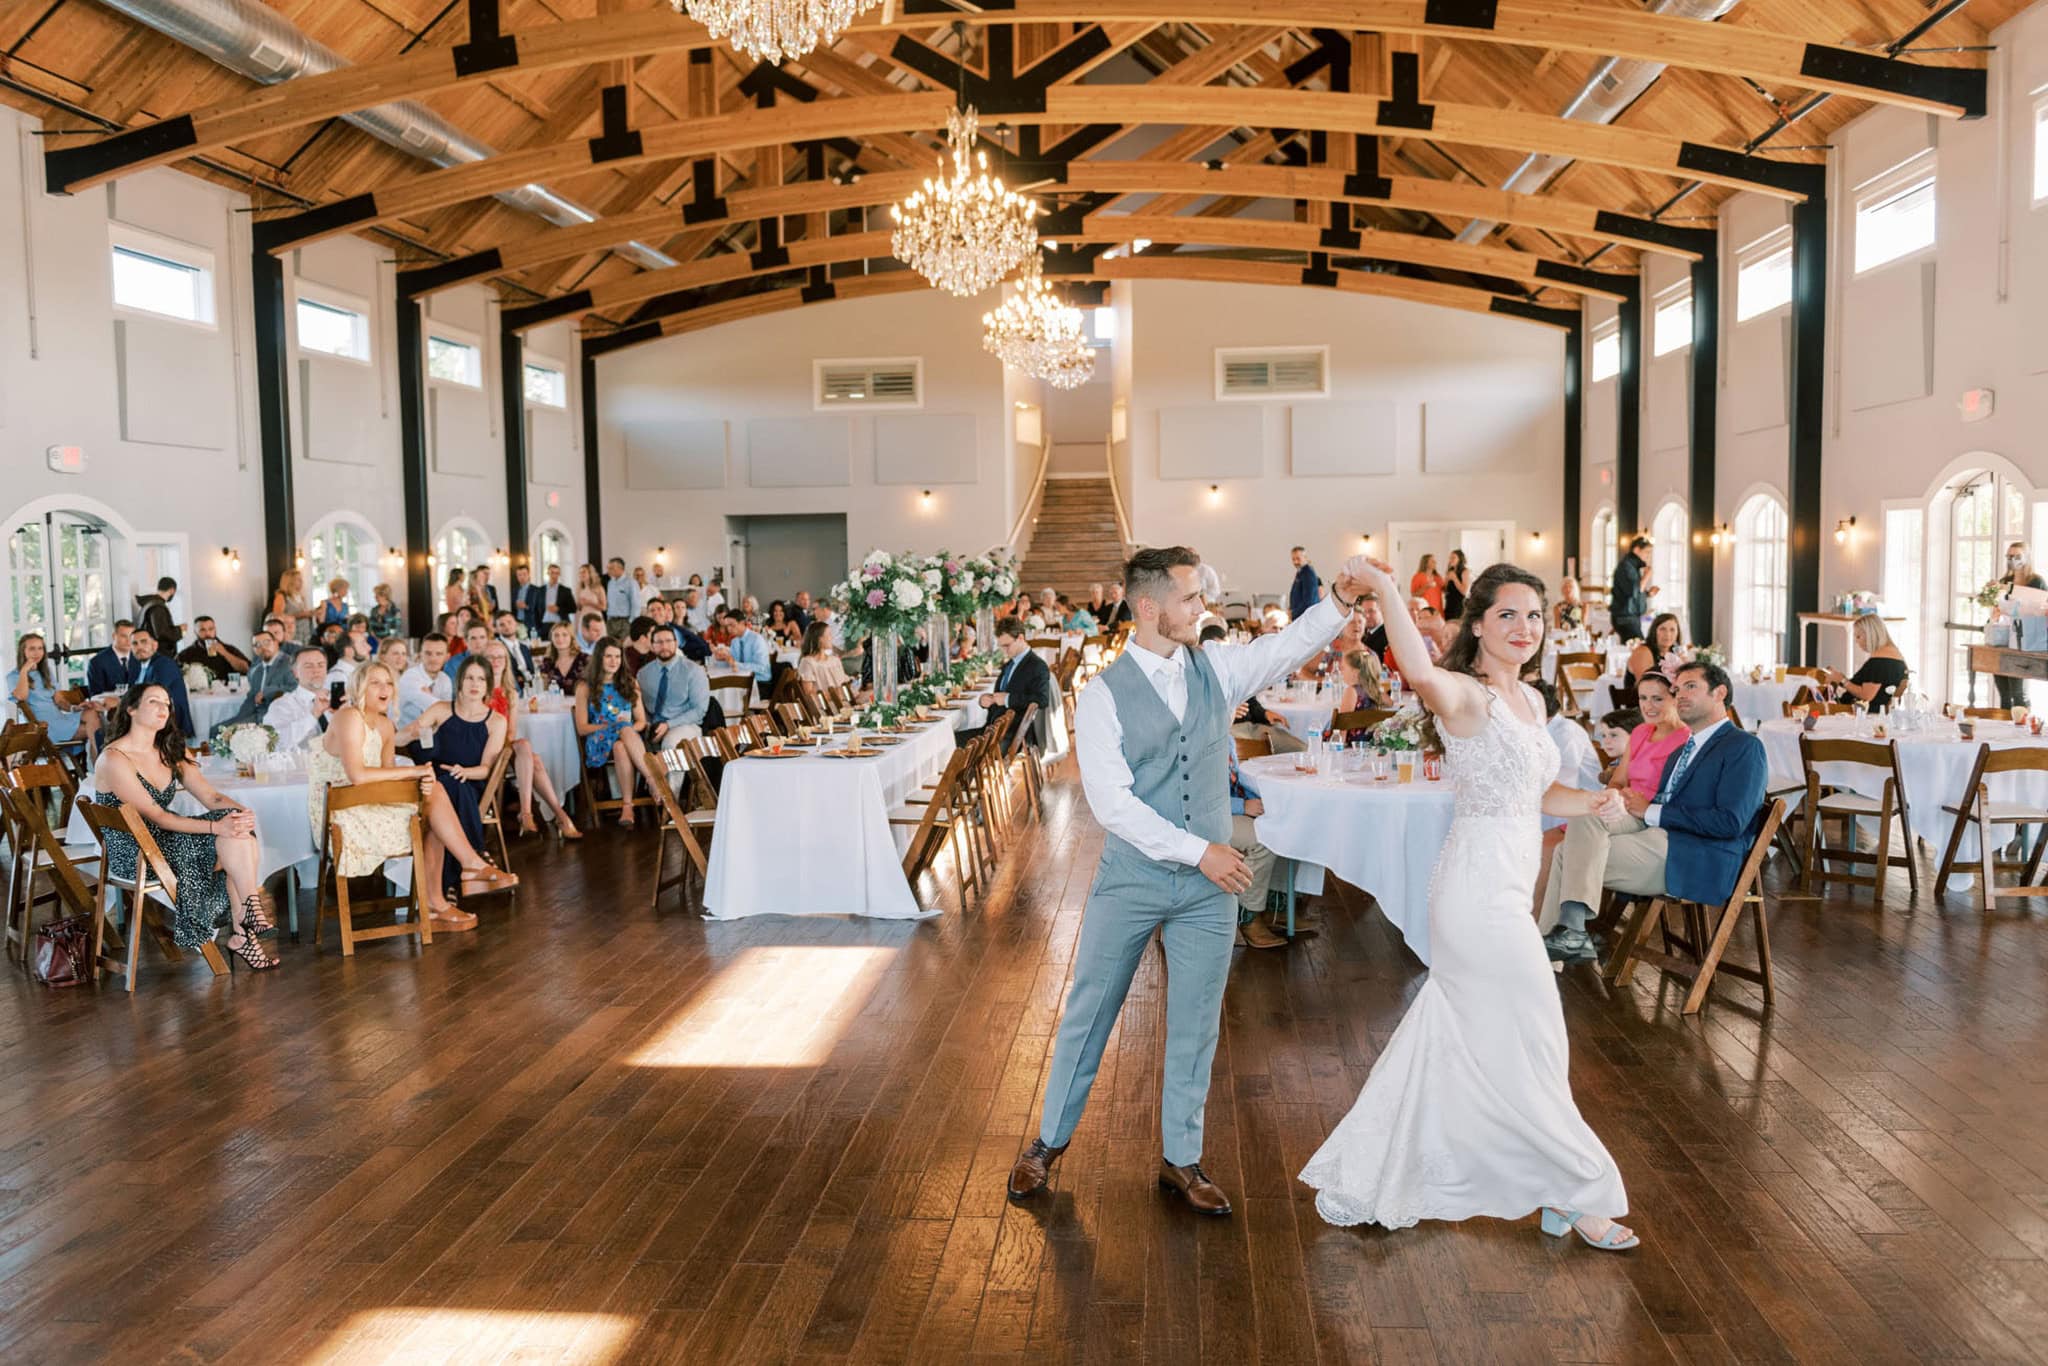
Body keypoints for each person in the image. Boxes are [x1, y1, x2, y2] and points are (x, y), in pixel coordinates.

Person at [1006, 546, 1369, 1216]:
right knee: (1090, 1014)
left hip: (1208, 888)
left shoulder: (1217, 669)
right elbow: (1111, 805)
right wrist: (1201, 849)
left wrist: (1340, 604)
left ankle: (1181, 1160)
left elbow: (1287, 647)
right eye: (1190, 598)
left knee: (1196, 1024)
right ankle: (1046, 1145)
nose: (1202, 609)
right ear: (1149, 608)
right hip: (1134, 879)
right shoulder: (1103, 697)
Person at [1299, 559, 1636, 1249]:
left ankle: (1536, 1186)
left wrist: (1595, 800)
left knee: (1503, 1041)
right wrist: (1390, 591)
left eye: (1534, 615)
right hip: (1474, 892)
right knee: (1539, 1034)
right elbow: (1421, 674)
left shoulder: (1534, 703)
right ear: (1477, 624)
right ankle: (1579, 1189)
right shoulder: (1467, 696)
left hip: (1512, 887)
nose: (1524, 628)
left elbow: (1539, 797)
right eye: (1507, 614)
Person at [1538, 660, 1768, 972]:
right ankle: (1566, 939)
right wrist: (1637, 801)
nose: (1681, 694)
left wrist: (1652, 810)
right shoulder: (1683, 749)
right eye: (1678, 688)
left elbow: (1729, 823)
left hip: (1694, 854)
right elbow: (1664, 801)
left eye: (1691, 687)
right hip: (1657, 834)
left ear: (1720, 693)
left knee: (1568, 854)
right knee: (1586, 814)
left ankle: (1548, 960)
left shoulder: (1744, 747)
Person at [310, 661, 515, 933]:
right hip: (340, 810)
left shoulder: (384, 725)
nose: (385, 689)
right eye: (376, 682)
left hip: (368, 801)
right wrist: (414, 771)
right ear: (359, 686)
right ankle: (464, 873)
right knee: (433, 791)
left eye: (389, 683)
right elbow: (357, 775)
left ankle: (441, 899)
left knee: (432, 798)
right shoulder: (348, 716)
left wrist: (419, 778)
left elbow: (386, 773)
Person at [94, 684, 276, 970]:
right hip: (137, 852)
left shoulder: (168, 750)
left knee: (237, 832)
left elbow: (210, 797)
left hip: (165, 841)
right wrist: (218, 828)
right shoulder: (114, 758)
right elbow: (157, 816)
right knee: (231, 838)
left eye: (167, 703)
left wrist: (242, 815)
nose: (163, 709)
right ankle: (246, 931)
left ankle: (246, 924)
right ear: (130, 709)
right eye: (153, 702)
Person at [412, 656, 508, 901]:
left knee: (457, 786)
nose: (474, 684)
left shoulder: (496, 721)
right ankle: (476, 857)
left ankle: (451, 883)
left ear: (488, 685)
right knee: (448, 786)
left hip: (472, 782)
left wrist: (466, 772)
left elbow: (486, 768)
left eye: (481, 679)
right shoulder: (441, 709)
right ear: (460, 682)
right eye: (469, 678)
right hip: (436, 780)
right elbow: (407, 736)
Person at [480, 640, 581, 840]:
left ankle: (527, 813)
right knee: (531, 757)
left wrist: (507, 745)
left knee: (525, 748)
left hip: (506, 746)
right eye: (490, 657)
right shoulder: (479, 688)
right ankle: (555, 815)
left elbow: (511, 731)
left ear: (506, 661)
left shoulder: (510, 693)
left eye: (500, 657)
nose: (496, 661)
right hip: (483, 747)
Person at [575, 638, 649, 829]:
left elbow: (641, 721)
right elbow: (582, 728)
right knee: (622, 728)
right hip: (598, 740)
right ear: (599, 658)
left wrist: (626, 729)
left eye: (617, 656)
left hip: (627, 740)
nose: (613, 661)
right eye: (608, 656)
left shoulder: (629, 683)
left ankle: (627, 806)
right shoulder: (585, 687)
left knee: (621, 745)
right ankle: (651, 777)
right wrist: (613, 727)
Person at [961, 617, 1052, 752]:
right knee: (949, 741)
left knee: (953, 747)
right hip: (994, 731)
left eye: (1007, 645)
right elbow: (1003, 696)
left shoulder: (1037, 666)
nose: (1004, 651)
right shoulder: (1010, 664)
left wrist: (1008, 699)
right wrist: (989, 700)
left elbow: (1042, 700)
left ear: (1020, 638)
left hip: (1013, 736)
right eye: (1001, 646)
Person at [637, 624, 711, 785]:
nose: (664, 646)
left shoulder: (693, 670)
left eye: (668, 641)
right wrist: (647, 724)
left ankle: (671, 801)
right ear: (652, 645)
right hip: (652, 726)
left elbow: (699, 710)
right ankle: (635, 799)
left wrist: (668, 724)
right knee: (624, 745)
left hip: (684, 724)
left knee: (671, 743)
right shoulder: (643, 674)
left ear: (676, 643)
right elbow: (640, 706)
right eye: (659, 642)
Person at [10, 633, 100, 747]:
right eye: (32, 648)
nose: (37, 652)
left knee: (92, 713)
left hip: (59, 718)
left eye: (40, 648)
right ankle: (98, 761)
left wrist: (74, 708)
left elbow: (59, 700)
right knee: (95, 730)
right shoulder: (13, 676)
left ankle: (96, 759)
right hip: (43, 726)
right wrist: (24, 670)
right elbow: (21, 697)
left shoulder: (45, 672)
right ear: (23, 651)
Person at [1990, 541, 2044, 709]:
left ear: (2026, 557)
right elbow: (1997, 608)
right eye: (2009, 556)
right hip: (2003, 637)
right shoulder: (2005, 581)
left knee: (2018, 693)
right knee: (2004, 693)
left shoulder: (2036, 581)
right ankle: (2004, 730)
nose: (2013, 560)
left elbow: (2041, 608)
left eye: (2017, 556)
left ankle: (2023, 728)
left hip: (2024, 640)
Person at [1824, 615, 1908, 713]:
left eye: (1858, 636)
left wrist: (1842, 680)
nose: (1856, 641)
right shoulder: (1894, 655)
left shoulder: (1879, 662)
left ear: (1870, 634)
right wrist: (1840, 678)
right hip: (1873, 712)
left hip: (1860, 713)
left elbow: (1867, 695)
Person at [220, 625, 295, 731]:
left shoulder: (289, 663)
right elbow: (251, 697)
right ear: (254, 650)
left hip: (277, 717)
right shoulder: (256, 669)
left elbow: (295, 688)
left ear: (276, 643)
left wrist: (267, 692)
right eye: (257, 645)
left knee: (228, 734)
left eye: (266, 642)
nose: (263, 647)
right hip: (255, 714)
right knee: (217, 731)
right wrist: (239, 719)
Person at [128, 628, 193, 737]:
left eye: (144, 642)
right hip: (151, 719)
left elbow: (153, 696)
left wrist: (119, 701)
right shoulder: (140, 666)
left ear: (155, 645)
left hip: (171, 727)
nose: (139, 647)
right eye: (135, 643)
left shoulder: (164, 664)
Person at [267, 648, 333, 753]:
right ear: (295, 673)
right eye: (308, 666)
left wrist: (348, 715)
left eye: (321, 665)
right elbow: (279, 742)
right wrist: (313, 715)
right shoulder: (281, 705)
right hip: (303, 766)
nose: (316, 670)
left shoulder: (337, 701)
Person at [398, 632, 453, 729]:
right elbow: (440, 709)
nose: (433, 658)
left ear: (447, 657)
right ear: (420, 655)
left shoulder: (445, 679)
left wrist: (432, 698)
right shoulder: (410, 677)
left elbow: (448, 712)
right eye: (428, 653)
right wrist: (440, 705)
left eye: (439, 654)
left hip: (432, 736)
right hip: (405, 739)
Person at [176, 616, 251, 683]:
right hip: (199, 695)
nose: (207, 633)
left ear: (215, 630)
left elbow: (247, 669)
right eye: (202, 630)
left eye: (211, 629)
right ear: (195, 632)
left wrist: (225, 653)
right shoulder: (186, 654)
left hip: (227, 693)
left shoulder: (229, 649)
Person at [1610, 536, 1653, 641]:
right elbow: (1632, 591)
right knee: (1639, 648)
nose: (1648, 556)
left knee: (1633, 650)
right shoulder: (1626, 567)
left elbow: (1633, 592)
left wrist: (1647, 594)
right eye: (1646, 552)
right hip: (1626, 618)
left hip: (1630, 617)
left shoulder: (1633, 567)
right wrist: (1646, 577)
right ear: (1637, 550)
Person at [1627, 613, 1685, 688]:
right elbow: (1645, 686)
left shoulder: (1674, 655)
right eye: (1662, 629)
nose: (1667, 634)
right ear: (1654, 631)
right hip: (1641, 698)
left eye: (1672, 630)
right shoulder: (1642, 652)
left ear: (1677, 633)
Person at [713, 611, 772, 684]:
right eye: (727, 626)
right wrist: (721, 659)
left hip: (759, 682)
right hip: (742, 681)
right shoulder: (734, 641)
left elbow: (762, 668)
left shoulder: (757, 639)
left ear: (742, 623)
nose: (729, 629)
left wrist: (736, 664)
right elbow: (732, 664)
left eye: (731, 625)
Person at [87, 620, 143, 697]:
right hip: (110, 707)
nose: (128, 640)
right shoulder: (97, 662)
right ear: (114, 636)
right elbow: (96, 695)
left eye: (131, 636)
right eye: (124, 636)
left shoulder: (140, 657)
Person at [130, 576, 181, 654]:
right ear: (172, 590)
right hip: (159, 654)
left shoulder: (148, 604)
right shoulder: (158, 607)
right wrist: (180, 630)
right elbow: (161, 633)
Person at [796, 622, 850, 697]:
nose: (831, 637)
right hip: (826, 707)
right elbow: (809, 695)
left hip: (844, 703)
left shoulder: (835, 660)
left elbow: (845, 685)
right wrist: (833, 695)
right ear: (819, 639)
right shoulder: (808, 662)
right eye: (829, 635)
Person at [537, 621, 587, 692]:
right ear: (552, 639)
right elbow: (543, 689)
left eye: (564, 635)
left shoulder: (585, 659)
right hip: (556, 702)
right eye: (556, 635)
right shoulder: (547, 662)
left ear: (571, 638)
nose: (560, 639)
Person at [271, 567, 315, 645]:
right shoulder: (282, 596)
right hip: (291, 635)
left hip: (305, 634)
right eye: (298, 579)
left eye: (301, 579)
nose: (301, 582)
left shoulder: (301, 597)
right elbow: (277, 617)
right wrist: (301, 615)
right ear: (290, 581)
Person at [491, 610, 534, 687]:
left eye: (509, 622)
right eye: (502, 625)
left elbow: (531, 670)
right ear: (496, 629)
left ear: (516, 624)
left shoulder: (524, 648)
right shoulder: (496, 648)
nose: (507, 626)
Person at [604, 556, 642, 631]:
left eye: (611, 568)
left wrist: (631, 622)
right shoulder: (610, 583)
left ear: (620, 568)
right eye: (608, 568)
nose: (608, 570)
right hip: (611, 621)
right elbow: (609, 602)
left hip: (625, 621)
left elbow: (636, 603)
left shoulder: (631, 582)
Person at [536, 563, 577, 630]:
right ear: (548, 573)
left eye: (557, 573)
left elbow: (573, 609)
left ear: (559, 574)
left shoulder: (566, 590)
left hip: (561, 624)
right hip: (544, 624)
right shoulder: (540, 590)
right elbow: (536, 610)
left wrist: (558, 609)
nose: (554, 575)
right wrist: (537, 626)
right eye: (552, 573)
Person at [1287, 546, 1321, 620]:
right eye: (1293, 559)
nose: (1295, 562)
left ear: (1305, 557)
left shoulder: (1308, 573)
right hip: (1300, 616)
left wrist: (1293, 614)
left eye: (1298, 559)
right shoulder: (1301, 573)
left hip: (1305, 617)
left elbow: (1309, 600)